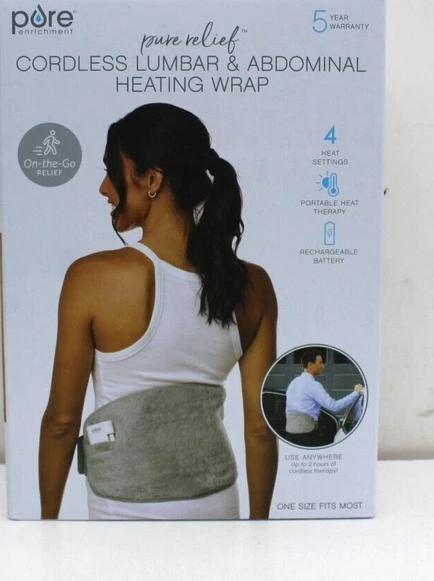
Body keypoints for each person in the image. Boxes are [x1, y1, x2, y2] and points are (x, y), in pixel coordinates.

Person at [39, 103, 278, 520]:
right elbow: (260, 431)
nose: (104, 188)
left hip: (122, 512)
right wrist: (259, 533)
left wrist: (46, 528)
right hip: (217, 507)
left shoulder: (91, 278)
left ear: (151, 179)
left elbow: (62, 423)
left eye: (111, 170)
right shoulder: (252, 285)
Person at [285, 349, 363, 447]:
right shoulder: (313, 385)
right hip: (307, 435)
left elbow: (288, 409)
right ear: (310, 365)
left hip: (289, 434)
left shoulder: (293, 382)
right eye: (320, 363)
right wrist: (355, 393)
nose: (323, 366)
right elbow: (334, 406)